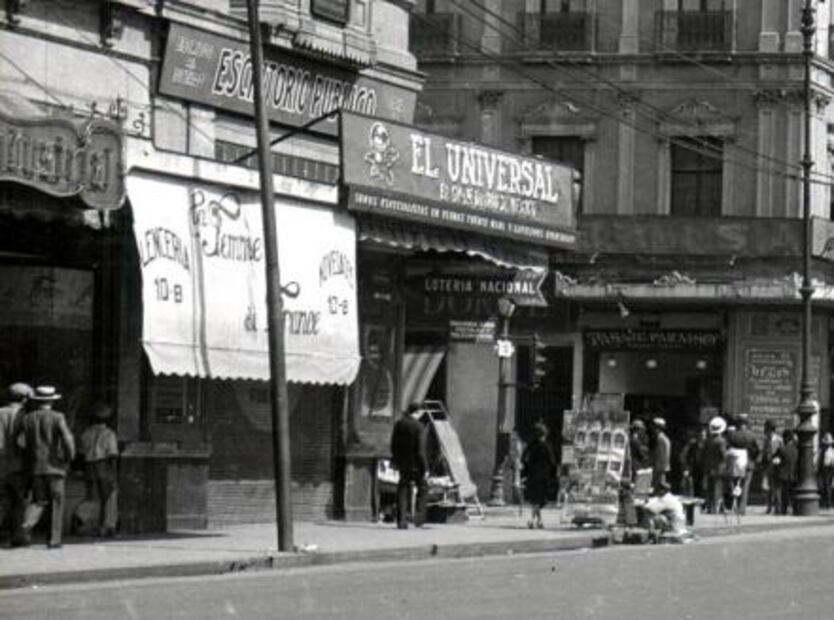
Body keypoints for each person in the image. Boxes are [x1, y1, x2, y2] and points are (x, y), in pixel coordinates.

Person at [16, 385, 75, 548]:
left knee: (38, 501)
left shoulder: (28, 418)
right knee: (57, 502)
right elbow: (67, 439)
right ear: (51, 401)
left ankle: (25, 526)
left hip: (36, 467)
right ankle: (54, 539)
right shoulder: (58, 417)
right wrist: (69, 458)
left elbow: (20, 442)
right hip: (55, 467)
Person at [78, 402, 119, 537]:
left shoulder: (86, 433)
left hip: (89, 466)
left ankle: (85, 521)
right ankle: (108, 525)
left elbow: (81, 452)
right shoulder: (109, 434)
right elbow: (112, 454)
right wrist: (113, 472)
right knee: (109, 497)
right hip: (104, 465)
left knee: (92, 497)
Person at [0, 383, 33, 543]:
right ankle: (17, 535)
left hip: (1, 464)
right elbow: (24, 442)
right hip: (18, 465)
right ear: (25, 399)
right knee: (19, 501)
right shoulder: (24, 415)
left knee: (2, 501)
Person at [390, 403, 428, 529]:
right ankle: (419, 518)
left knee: (402, 490)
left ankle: (401, 521)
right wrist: (425, 467)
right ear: (418, 412)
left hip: (403, 463)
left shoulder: (399, 424)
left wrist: (396, 461)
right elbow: (420, 450)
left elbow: (394, 445)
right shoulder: (419, 427)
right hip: (417, 464)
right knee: (422, 489)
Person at [520, 422, 557, 529]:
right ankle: (535, 521)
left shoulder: (530, 446)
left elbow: (524, 459)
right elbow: (552, 462)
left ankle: (536, 521)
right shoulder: (546, 446)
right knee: (539, 500)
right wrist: (553, 475)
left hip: (532, 476)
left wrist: (525, 472)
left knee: (534, 500)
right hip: (543, 477)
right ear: (544, 434)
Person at [726, 413, 759, 515]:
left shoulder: (733, 435)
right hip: (749, 463)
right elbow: (757, 449)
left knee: (736, 484)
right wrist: (754, 459)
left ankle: (734, 504)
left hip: (736, 462)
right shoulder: (752, 435)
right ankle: (742, 508)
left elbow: (728, 448)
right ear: (746, 423)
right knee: (746, 486)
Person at [702, 416, 727, 514]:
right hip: (719, 467)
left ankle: (710, 507)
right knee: (718, 487)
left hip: (709, 466)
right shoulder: (722, 441)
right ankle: (717, 507)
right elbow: (723, 454)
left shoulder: (708, 440)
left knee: (710, 487)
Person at [760, 420, 783, 514]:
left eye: (768, 430)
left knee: (776, 487)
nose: (767, 432)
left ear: (772, 430)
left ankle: (778, 507)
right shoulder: (766, 440)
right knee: (768, 487)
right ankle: (769, 506)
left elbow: (782, 452)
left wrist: (778, 459)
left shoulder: (779, 440)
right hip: (768, 465)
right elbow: (764, 452)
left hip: (776, 465)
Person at [773, 429, 798, 515]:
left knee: (781, 493)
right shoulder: (796, 450)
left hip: (781, 474)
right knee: (790, 493)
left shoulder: (781, 449)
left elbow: (775, 460)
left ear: (785, 438)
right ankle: (791, 508)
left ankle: (781, 510)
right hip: (792, 475)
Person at [679, 426, 706, 499]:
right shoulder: (692, 444)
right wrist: (686, 467)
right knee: (693, 484)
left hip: (703, 467)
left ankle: (701, 500)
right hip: (693, 467)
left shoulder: (706, 444)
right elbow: (684, 455)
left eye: (704, 435)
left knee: (702, 485)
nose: (702, 437)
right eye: (701, 435)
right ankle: (694, 499)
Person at [649, 417, 671, 489]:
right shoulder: (665, 438)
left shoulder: (660, 439)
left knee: (657, 488)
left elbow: (661, 455)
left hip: (659, 468)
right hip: (662, 468)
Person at [817, 432, 834, 509]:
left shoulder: (831, 451)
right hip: (823, 469)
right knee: (823, 486)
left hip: (828, 469)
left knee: (827, 486)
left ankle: (828, 502)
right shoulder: (822, 451)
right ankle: (824, 502)